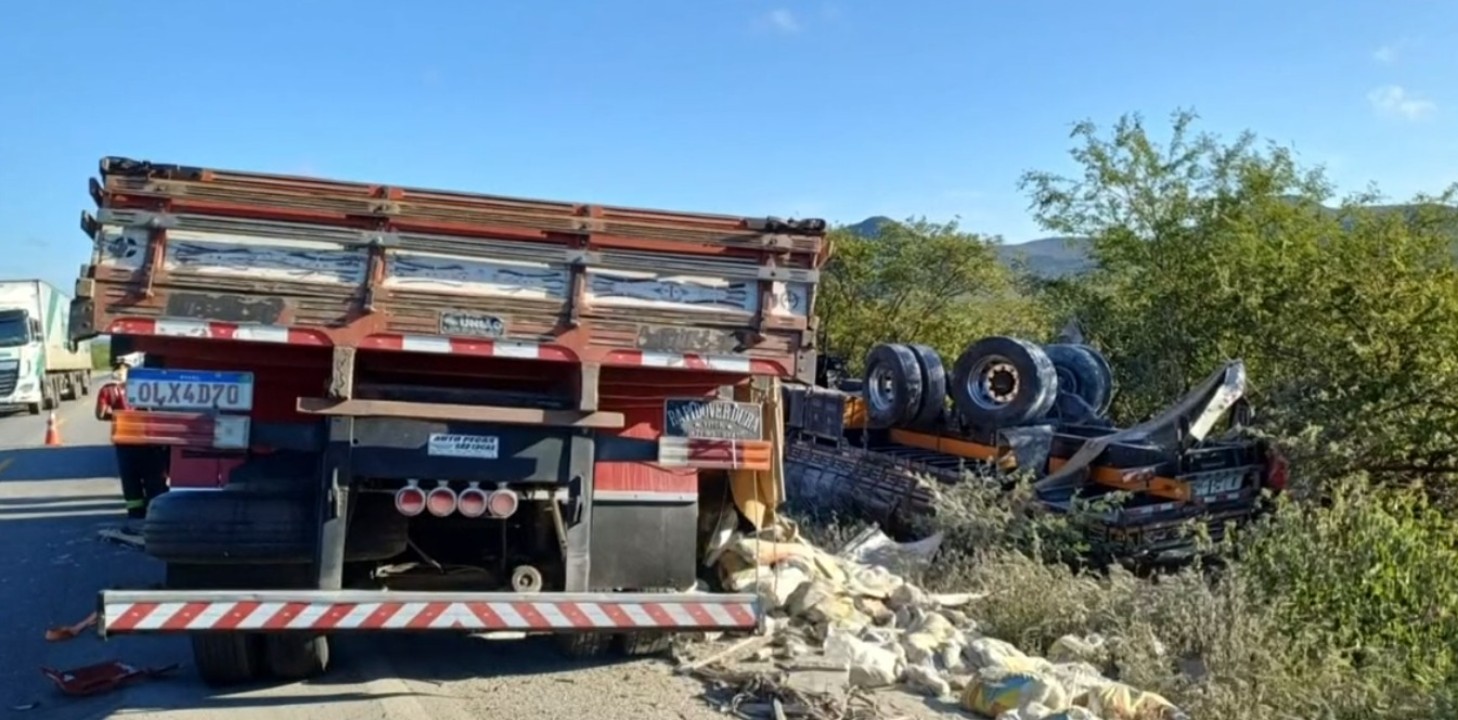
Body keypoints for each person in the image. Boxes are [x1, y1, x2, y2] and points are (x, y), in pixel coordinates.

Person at [95, 359, 169, 529]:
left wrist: (118, 417)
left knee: (131, 479)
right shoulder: (146, 386)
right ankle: (156, 511)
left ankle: (136, 515)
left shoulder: (107, 390)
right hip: (148, 439)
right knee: (154, 477)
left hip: (124, 440)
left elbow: (100, 415)